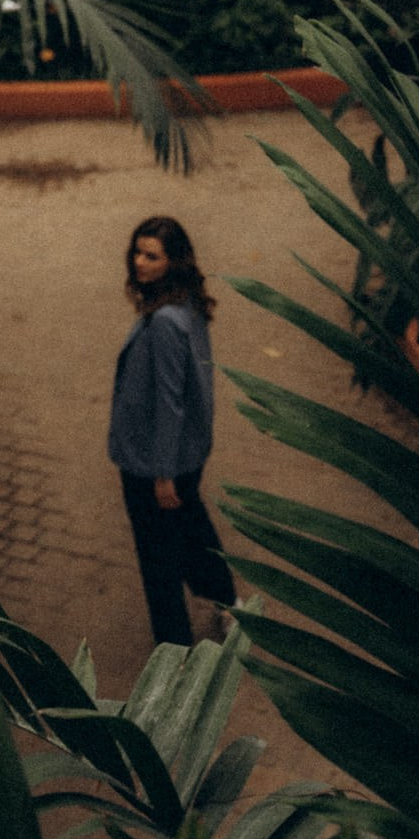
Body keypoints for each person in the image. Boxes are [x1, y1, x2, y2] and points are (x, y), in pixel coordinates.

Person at [108, 214, 237, 645]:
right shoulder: (185, 304)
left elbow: (169, 400)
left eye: (152, 256)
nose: (139, 263)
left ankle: (174, 648)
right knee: (190, 528)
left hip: (155, 462)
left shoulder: (164, 320)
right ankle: (227, 601)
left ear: (173, 261)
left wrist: (162, 473)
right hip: (187, 453)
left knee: (157, 556)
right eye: (137, 252)